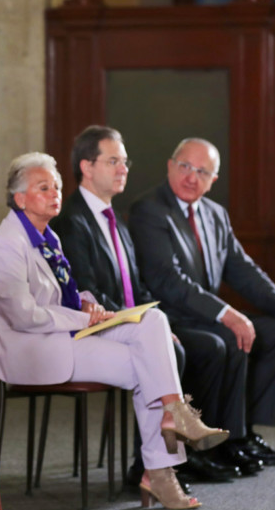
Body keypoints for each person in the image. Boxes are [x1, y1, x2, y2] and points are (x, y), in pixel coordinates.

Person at [0, 152, 228, 510]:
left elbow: (59, 291)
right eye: (43, 187)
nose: (55, 194)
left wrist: (85, 302)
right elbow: (24, 317)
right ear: (19, 199)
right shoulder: (6, 245)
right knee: (150, 365)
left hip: (65, 334)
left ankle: (172, 424)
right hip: (35, 350)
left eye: (57, 187)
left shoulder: (46, 236)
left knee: (154, 322)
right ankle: (161, 469)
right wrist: (84, 319)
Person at [50, 125, 236, 485]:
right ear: (87, 167)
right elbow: (86, 294)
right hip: (95, 330)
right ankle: (149, 465)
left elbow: (138, 287)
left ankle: (184, 457)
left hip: (133, 323)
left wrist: (159, 324)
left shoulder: (115, 219)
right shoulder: (72, 221)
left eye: (125, 162)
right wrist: (148, 328)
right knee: (174, 353)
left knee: (210, 347)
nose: (124, 169)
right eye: (114, 161)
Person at [128, 137, 275, 475]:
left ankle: (242, 435)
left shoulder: (215, 214)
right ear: (170, 166)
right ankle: (220, 442)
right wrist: (227, 314)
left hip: (205, 315)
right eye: (184, 166)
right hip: (171, 317)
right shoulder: (149, 209)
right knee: (231, 338)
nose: (191, 177)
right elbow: (169, 281)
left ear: (213, 181)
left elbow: (243, 270)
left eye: (202, 171)